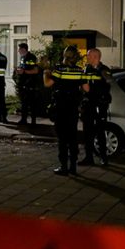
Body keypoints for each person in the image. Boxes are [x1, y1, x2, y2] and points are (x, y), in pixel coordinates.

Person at [43, 46, 84, 176]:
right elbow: (85, 88)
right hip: (73, 109)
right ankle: (73, 166)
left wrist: (45, 73)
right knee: (72, 137)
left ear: (65, 55)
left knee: (62, 138)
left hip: (61, 108)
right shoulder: (79, 70)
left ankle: (64, 167)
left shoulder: (59, 69)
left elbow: (47, 84)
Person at [79, 48, 112, 166]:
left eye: (88, 56)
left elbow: (109, 83)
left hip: (99, 105)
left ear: (96, 57)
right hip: (88, 105)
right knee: (87, 133)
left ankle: (103, 157)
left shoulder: (104, 70)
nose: (87, 58)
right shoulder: (86, 69)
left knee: (100, 132)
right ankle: (89, 157)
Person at [15, 42, 40, 126]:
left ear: (23, 49)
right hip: (23, 84)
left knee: (32, 104)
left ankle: (33, 122)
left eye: (19, 49)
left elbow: (35, 70)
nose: (18, 51)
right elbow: (23, 68)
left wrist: (24, 71)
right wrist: (18, 70)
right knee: (24, 103)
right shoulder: (23, 57)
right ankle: (23, 120)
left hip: (30, 84)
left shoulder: (31, 57)